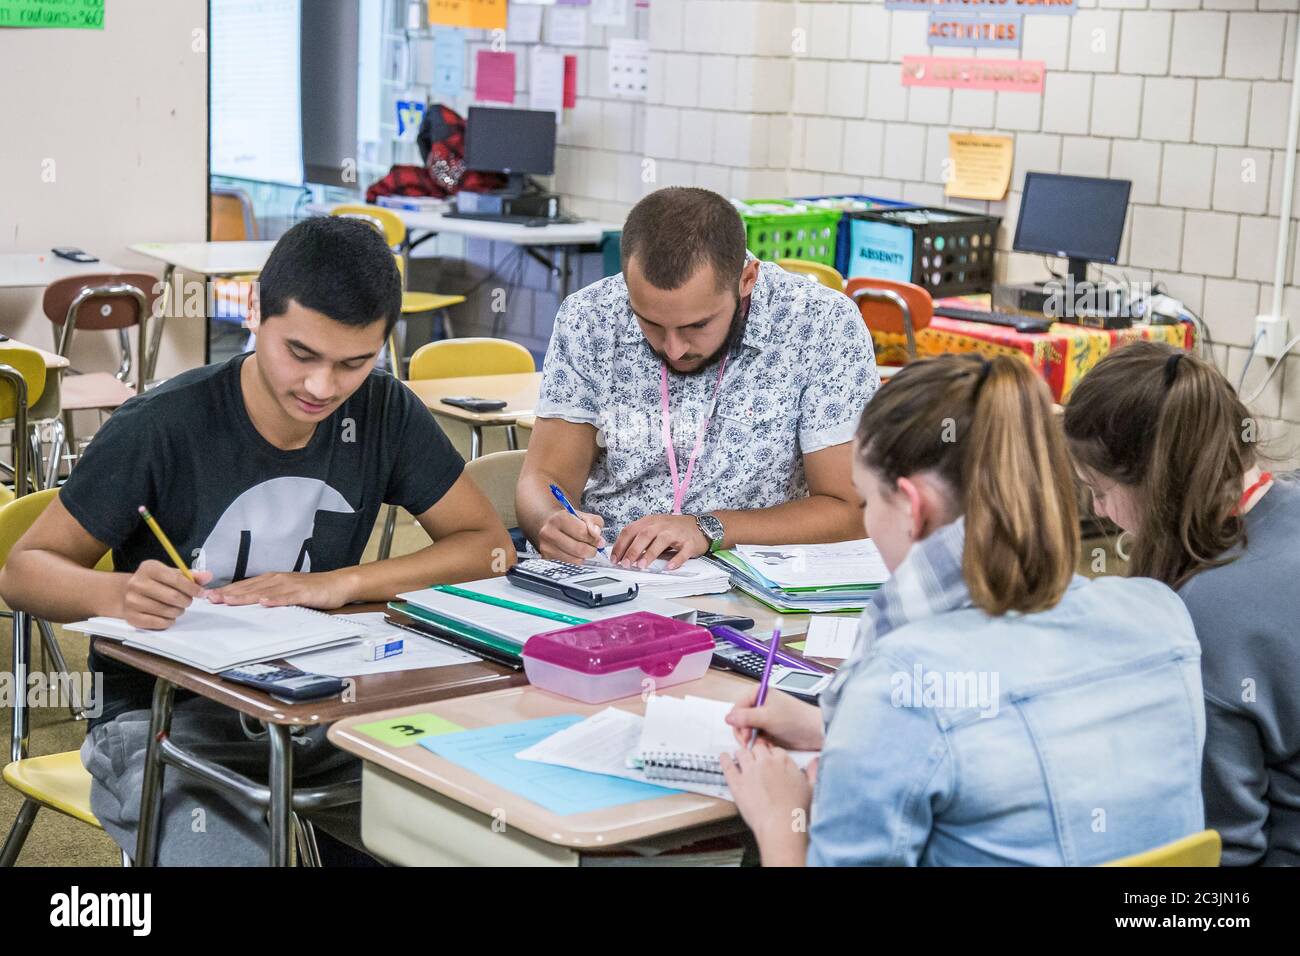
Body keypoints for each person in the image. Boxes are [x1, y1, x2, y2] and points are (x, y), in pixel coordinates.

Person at [0, 216, 514, 865]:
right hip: (162, 722)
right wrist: (119, 592)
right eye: (301, 355)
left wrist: (339, 584)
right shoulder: (162, 426)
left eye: (353, 362)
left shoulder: (384, 410)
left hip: (327, 705)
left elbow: (487, 546)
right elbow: (22, 573)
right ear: (254, 314)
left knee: (476, 823)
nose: (323, 387)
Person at [720, 354, 1206, 866]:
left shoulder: (898, 682)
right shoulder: (1160, 615)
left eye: (867, 503)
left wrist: (779, 820)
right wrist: (839, 731)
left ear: (913, 507)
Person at [516, 187, 879, 571]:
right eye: (650, 323)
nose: (673, 349)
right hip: (608, 574)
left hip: (753, 581)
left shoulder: (821, 325)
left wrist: (709, 529)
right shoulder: (590, 317)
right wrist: (548, 521)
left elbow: (850, 511)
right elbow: (544, 477)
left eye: (698, 325)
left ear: (746, 280)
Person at [1064, 340, 1300, 866]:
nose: (1101, 512)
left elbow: (1219, 853)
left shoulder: (1204, 623)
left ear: (1155, 483)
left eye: (1097, 490)